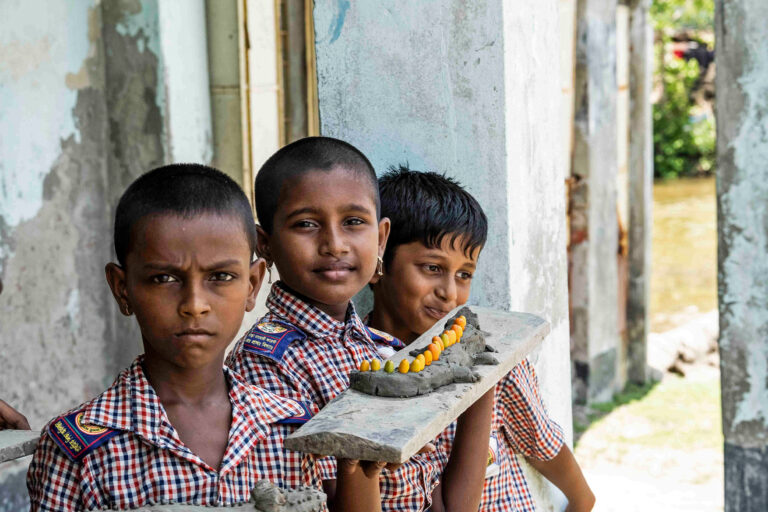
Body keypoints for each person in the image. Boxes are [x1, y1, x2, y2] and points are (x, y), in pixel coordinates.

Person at [26, 164, 382, 511]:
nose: (194, 305)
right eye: (164, 279)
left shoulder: (293, 426)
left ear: (253, 285)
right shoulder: (79, 448)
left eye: (221, 277)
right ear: (123, 289)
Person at [226, 137, 493, 512]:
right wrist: (359, 449)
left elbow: (450, 505)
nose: (334, 244)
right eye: (306, 224)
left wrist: (482, 382)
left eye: (353, 222)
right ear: (265, 244)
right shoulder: (266, 366)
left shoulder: (385, 349)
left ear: (381, 238)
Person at [368, 166, 596, 512]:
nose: (449, 293)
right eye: (432, 268)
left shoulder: (493, 360)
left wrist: (581, 501)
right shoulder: (363, 370)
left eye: (464, 274)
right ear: (379, 260)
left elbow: (546, 448)